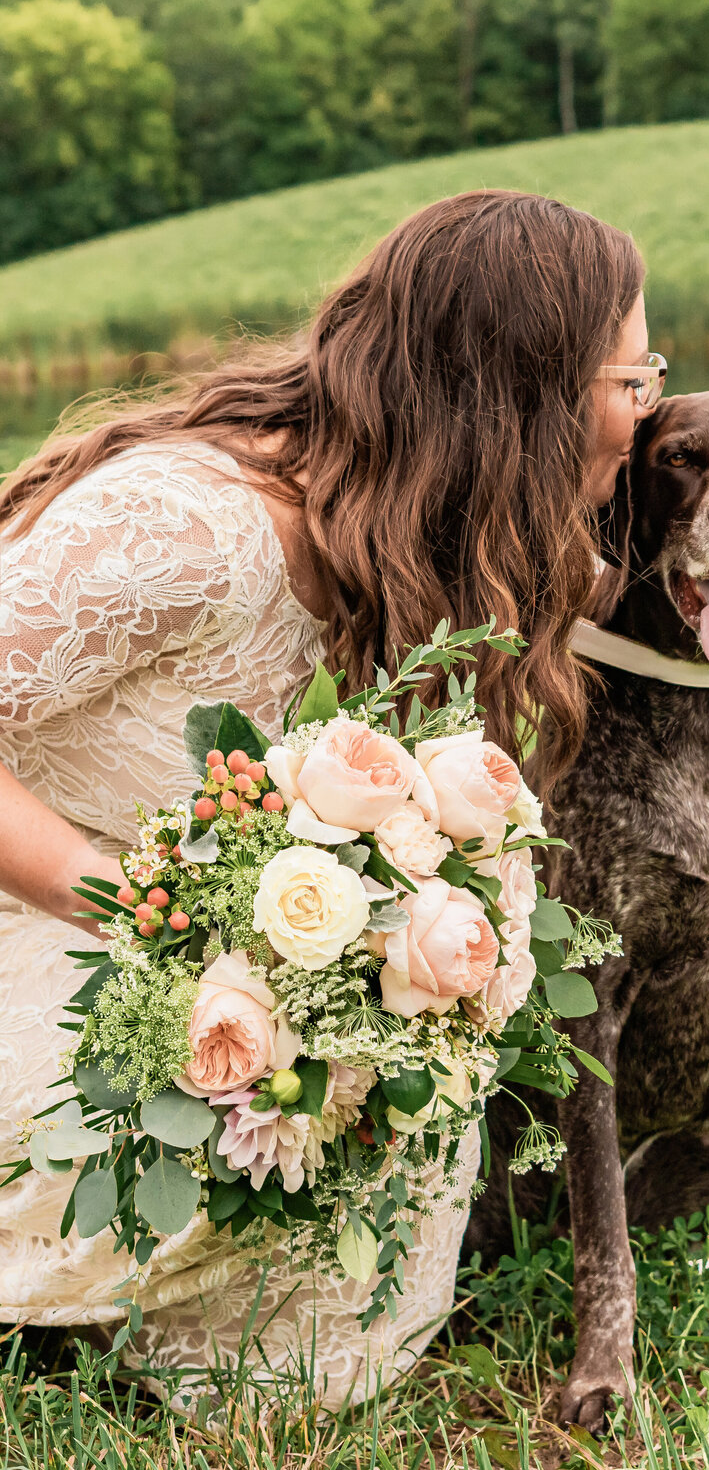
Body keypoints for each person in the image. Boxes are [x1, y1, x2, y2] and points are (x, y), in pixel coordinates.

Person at [0, 189, 663, 1408]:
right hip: (52, 936)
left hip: (233, 979)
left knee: (312, 1344)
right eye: (631, 378)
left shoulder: (425, 542)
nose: (646, 412)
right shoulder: (187, 527)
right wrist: (155, 912)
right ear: (513, 400)